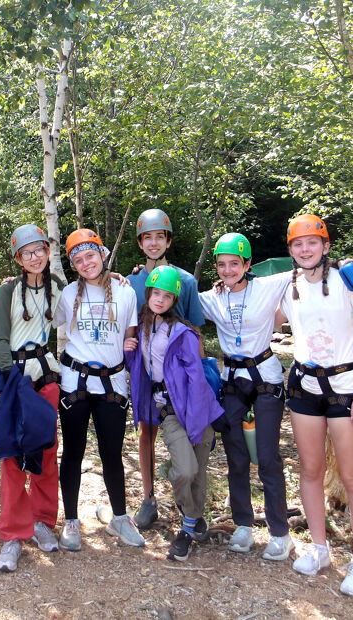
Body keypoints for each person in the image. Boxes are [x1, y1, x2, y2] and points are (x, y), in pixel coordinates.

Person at [278, 214, 353, 597]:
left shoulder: (349, 281)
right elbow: (256, 314)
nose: (305, 250)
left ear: (325, 245)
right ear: (290, 250)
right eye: (298, 244)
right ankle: (319, 548)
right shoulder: (289, 286)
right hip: (305, 386)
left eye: (312, 243)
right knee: (310, 469)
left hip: (345, 387)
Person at [198, 233, 292, 560]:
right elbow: (173, 295)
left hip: (264, 376)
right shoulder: (212, 297)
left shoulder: (266, 287)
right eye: (222, 264)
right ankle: (243, 524)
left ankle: (280, 531)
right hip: (232, 381)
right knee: (236, 456)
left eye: (235, 264)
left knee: (267, 457)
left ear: (248, 265)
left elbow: (306, 266)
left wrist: (343, 265)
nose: (228, 270)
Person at [124, 265, 224, 561]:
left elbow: (195, 378)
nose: (160, 299)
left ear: (173, 301)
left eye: (167, 296)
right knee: (187, 471)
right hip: (168, 409)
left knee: (198, 473)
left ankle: (189, 525)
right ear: (148, 294)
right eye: (156, 293)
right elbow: (139, 367)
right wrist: (129, 349)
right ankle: (192, 518)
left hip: (195, 410)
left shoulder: (183, 333)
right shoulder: (141, 326)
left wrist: (198, 420)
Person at [54, 228, 144, 550]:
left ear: (103, 255)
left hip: (113, 382)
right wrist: (14, 284)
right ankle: (71, 521)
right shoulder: (67, 295)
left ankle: (119, 518)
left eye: (90, 255)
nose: (85, 263)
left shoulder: (126, 291)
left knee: (112, 453)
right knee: (73, 452)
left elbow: (130, 334)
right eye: (78, 259)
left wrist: (130, 341)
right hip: (75, 380)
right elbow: (43, 311)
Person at [128, 209, 206, 530]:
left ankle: (185, 498)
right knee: (147, 431)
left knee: (185, 433)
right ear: (140, 242)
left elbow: (197, 331)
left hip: (180, 374)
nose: (154, 242)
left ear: (169, 240)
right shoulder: (131, 281)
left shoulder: (186, 281)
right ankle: (148, 498)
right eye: (148, 237)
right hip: (145, 371)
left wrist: (197, 379)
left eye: (160, 236)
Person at [0, 224, 61, 571]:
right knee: (12, 456)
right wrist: (9, 373)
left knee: (46, 452)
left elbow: (88, 297)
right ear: (19, 258)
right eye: (27, 253)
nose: (35, 257)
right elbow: (0, 336)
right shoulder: (9, 291)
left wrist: (119, 277)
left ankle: (42, 521)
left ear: (48, 252)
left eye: (40, 250)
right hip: (16, 377)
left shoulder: (58, 289)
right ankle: (13, 534)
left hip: (46, 376)